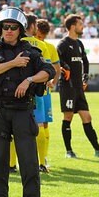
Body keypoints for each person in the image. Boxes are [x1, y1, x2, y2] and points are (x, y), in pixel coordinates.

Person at [0, 7, 54, 197]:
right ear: (0, 29)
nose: (9, 30)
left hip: (23, 111)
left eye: (13, 27)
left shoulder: (31, 52)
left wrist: (29, 79)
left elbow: (49, 71)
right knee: (0, 159)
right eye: (5, 27)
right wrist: (13, 63)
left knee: (28, 159)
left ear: (20, 30)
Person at [57, 14, 99, 159]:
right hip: (67, 87)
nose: (83, 27)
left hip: (78, 88)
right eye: (80, 24)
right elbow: (57, 60)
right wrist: (65, 66)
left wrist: (85, 76)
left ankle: (98, 150)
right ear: (73, 26)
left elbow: (85, 61)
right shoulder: (63, 44)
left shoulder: (79, 44)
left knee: (87, 116)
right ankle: (68, 151)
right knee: (68, 116)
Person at [22, 13, 51, 172]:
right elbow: (47, 70)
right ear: (33, 26)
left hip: (18, 91)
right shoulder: (41, 45)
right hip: (37, 90)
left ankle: (12, 165)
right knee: (39, 125)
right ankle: (41, 163)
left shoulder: (16, 43)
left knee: (16, 127)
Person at [35, 18, 61, 171]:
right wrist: (53, 82)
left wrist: (52, 82)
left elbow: (57, 69)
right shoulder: (50, 46)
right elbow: (57, 69)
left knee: (40, 123)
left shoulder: (43, 46)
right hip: (44, 90)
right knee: (42, 123)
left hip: (38, 90)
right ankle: (42, 158)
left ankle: (40, 158)